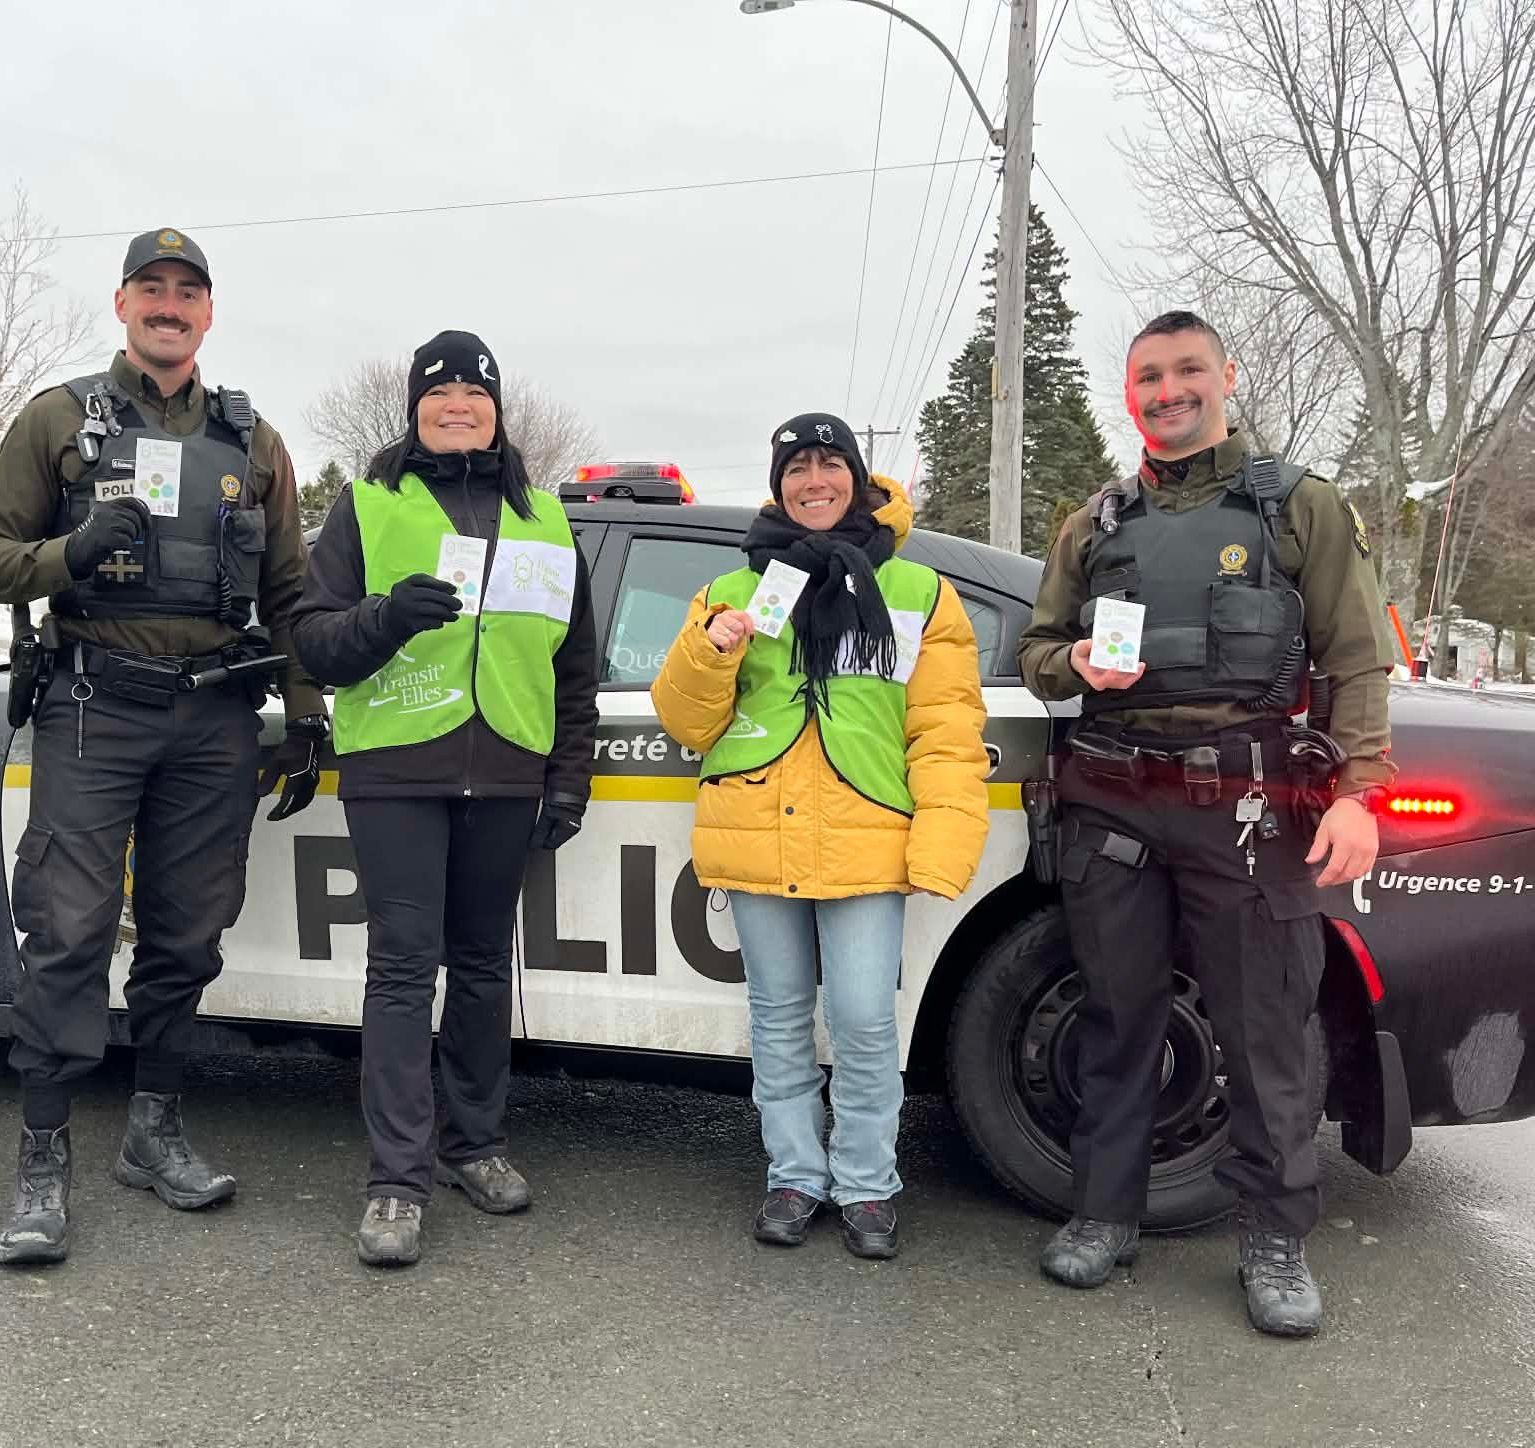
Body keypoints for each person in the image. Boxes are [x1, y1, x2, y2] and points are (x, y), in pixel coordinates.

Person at [1019, 310, 1397, 1337]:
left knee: (1262, 1031)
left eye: (1187, 370)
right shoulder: (1092, 522)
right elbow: (1036, 650)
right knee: (1113, 1018)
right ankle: (1102, 1214)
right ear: (1128, 391)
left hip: (1246, 808)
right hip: (1111, 803)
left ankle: (1272, 1239)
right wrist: (1072, 668)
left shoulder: (1296, 507)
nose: (1167, 391)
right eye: (1147, 376)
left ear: (1223, 377)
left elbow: (1356, 657)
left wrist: (1360, 790)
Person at [0, 227, 327, 1266]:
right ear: (122, 303)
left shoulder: (254, 442)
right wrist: (65, 553)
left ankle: (153, 1128)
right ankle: (41, 1159)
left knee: (188, 929)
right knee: (68, 930)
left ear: (209, 313)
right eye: (151, 289)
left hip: (214, 715)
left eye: (188, 292)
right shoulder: (60, 419)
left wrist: (303, 710)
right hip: (94, 706)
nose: (169, 306)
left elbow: (291, 592)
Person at [651, 413, 988, 1260]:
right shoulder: (729, 592)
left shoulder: (919, 593)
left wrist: (942, 848)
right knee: (778, 1019)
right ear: (778, 485)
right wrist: (710, 648)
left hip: (868, 832)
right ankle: (795, 1177)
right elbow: (688, 722)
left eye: (828, 465)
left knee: (868, 1020)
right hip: (756, 827)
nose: (814, 481)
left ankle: (869, 1186)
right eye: (796, 468)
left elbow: (945, 731)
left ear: (856, 477)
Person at [295, 331, 599, 1268]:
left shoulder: (547, 516)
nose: (458, 403)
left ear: (498, 409)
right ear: (416, 409)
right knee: (401, 970)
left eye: (475, 390)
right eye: (440, 392)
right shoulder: (370, 504)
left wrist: (567, 777)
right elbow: (314, 641)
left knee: (479, 969)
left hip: (507, 770)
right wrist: (385, 618)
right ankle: (396, 1179)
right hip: (397, 770)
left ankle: (475, 1144)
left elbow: (574, 668)